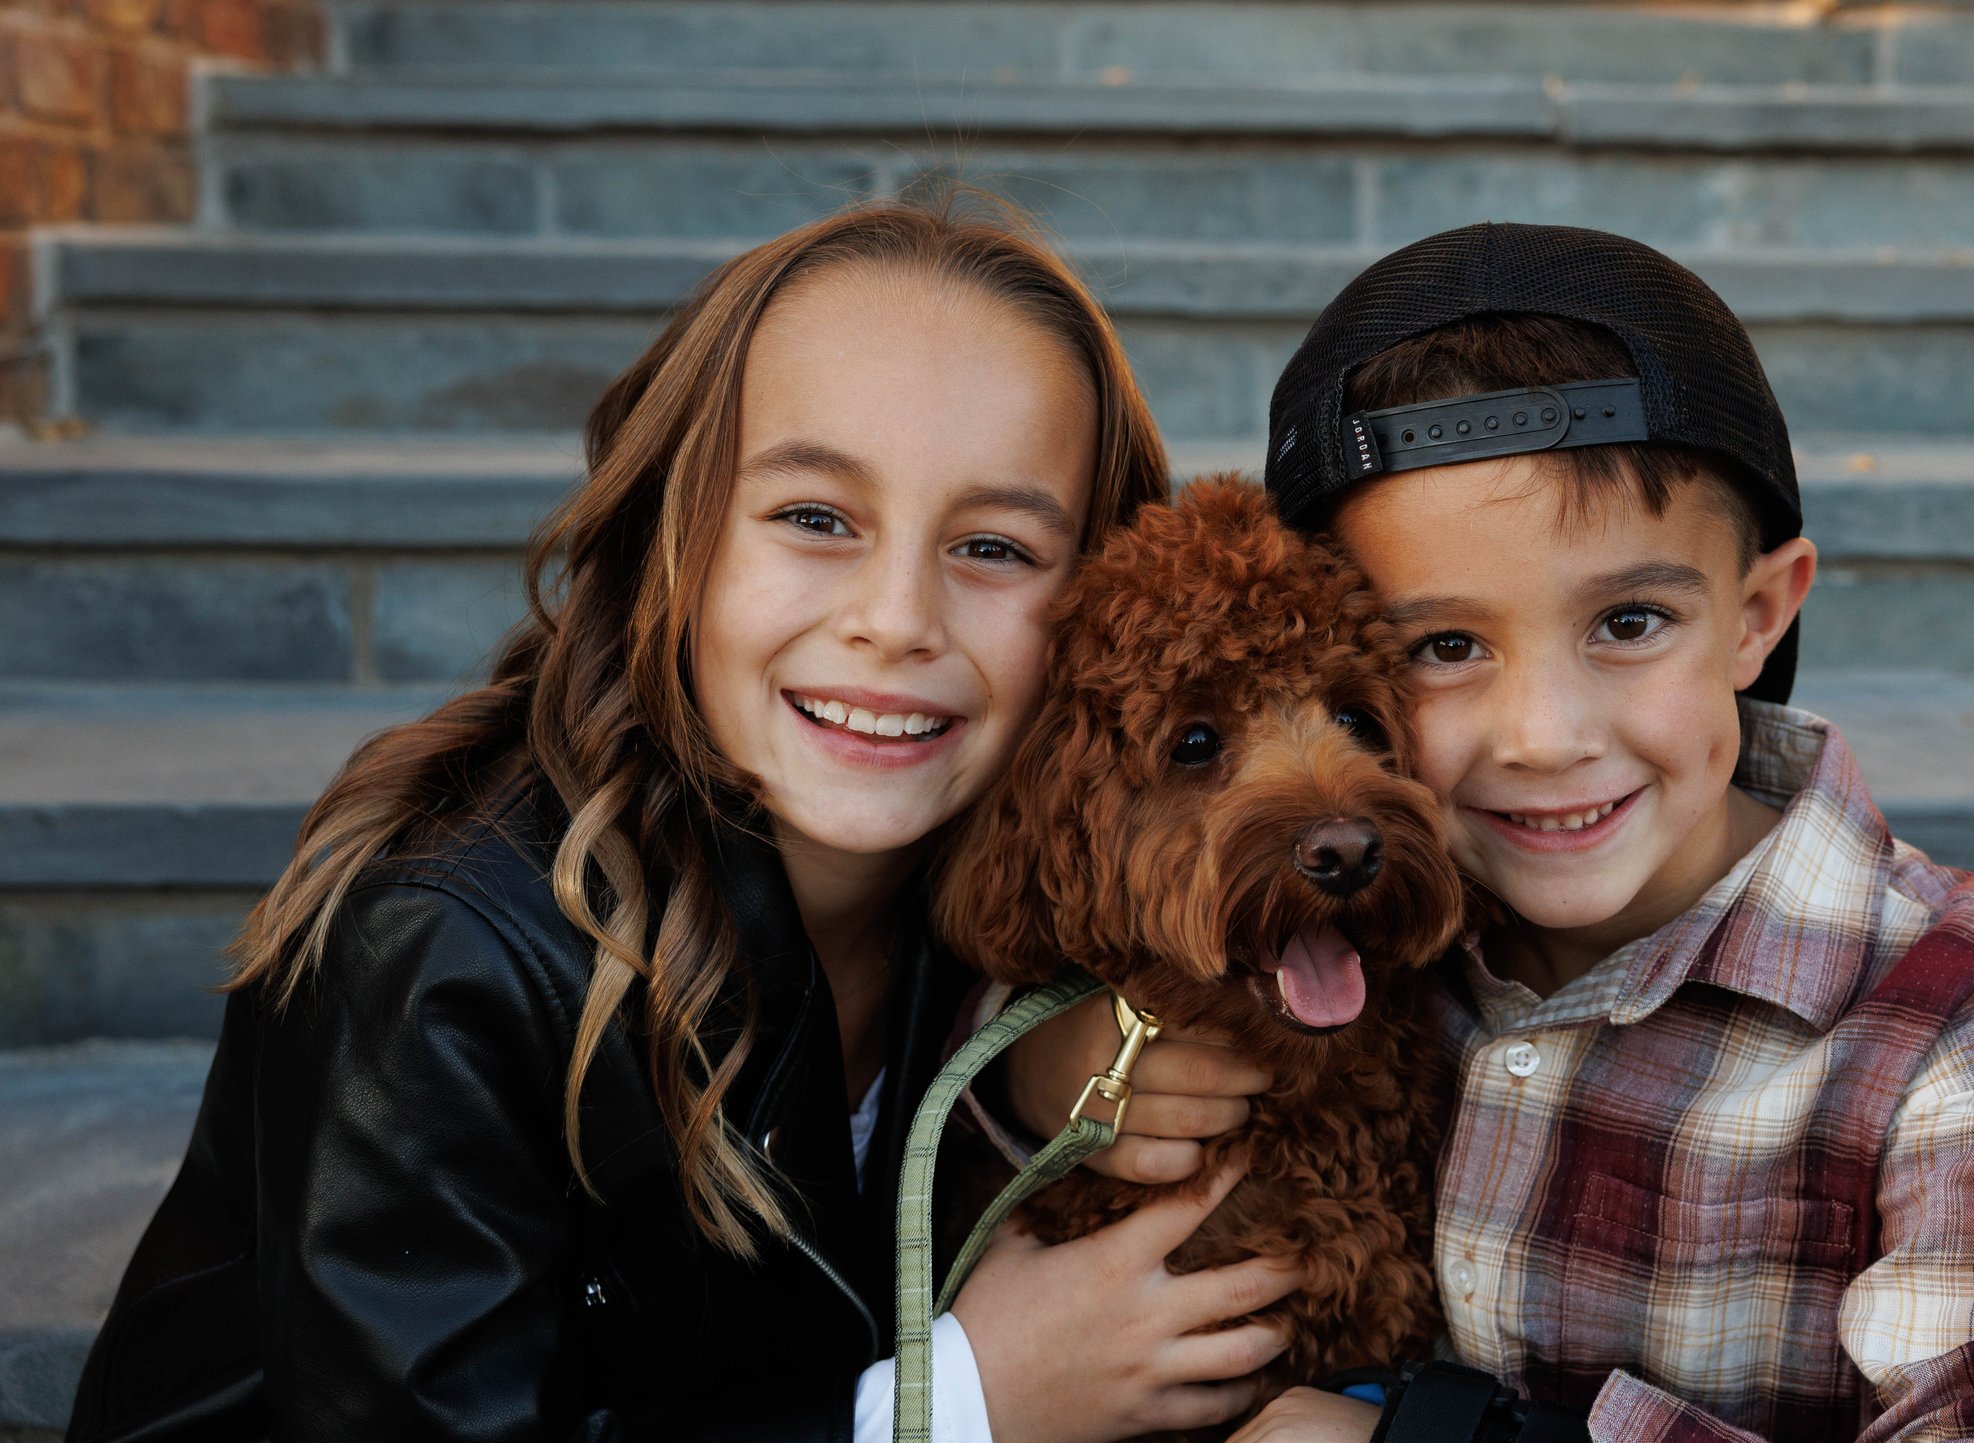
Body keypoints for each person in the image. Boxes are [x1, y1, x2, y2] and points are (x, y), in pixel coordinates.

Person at [67, 200, 1303, 1443]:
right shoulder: (444, 950)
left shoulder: (1020, 891)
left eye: (993, 544)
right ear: (676, 531)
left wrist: (1019, 1073)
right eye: (816, 517)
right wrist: (956, 1405)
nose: (897, 616)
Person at [1005, 224, 1974, 1443]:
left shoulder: (1945, 1013)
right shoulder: (1347, 933)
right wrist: (1044, 1066)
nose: (1545, 735)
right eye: (1440, 647)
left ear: (1757, 615)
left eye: (1630, 620)